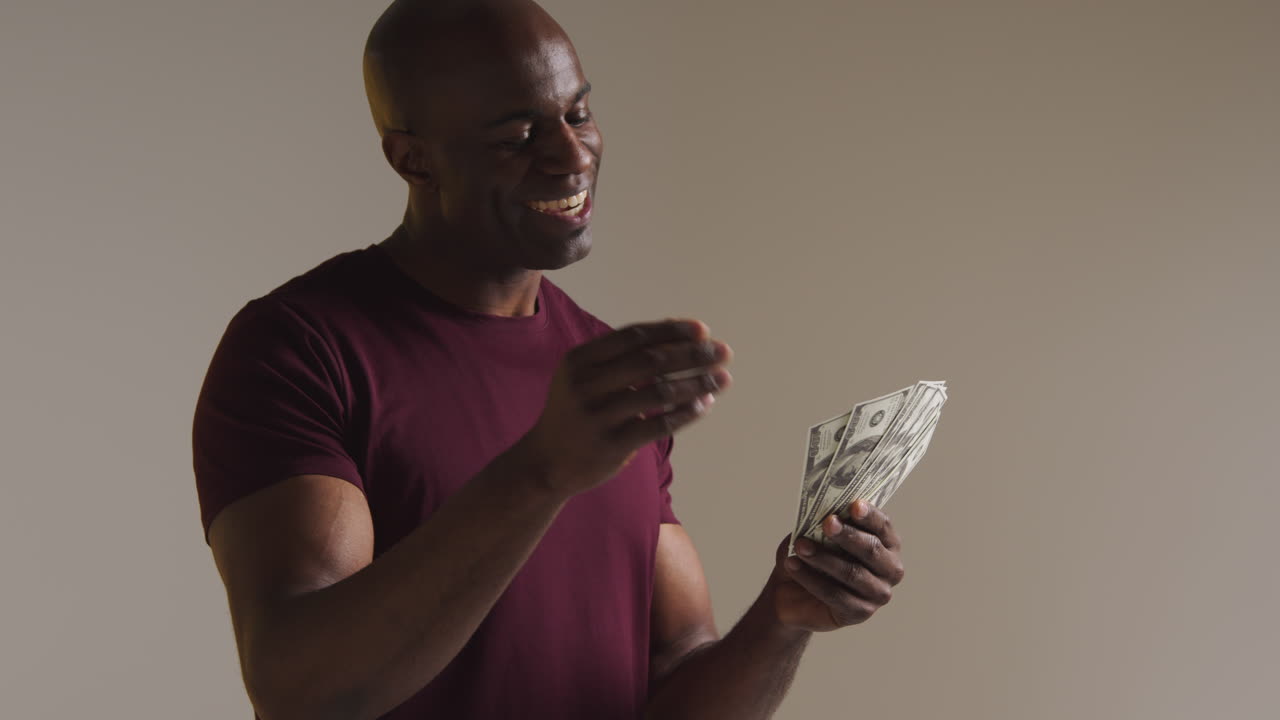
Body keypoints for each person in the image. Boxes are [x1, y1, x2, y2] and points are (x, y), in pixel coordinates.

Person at [192, 1, 906, 718]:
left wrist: (783, 620)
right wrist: (543, 470)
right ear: (413, 158)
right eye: (517, 135)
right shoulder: (301, 349)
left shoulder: (603, 376)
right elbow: (302, 690)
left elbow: (678, 675)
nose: (571, 155)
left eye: (578, 113)